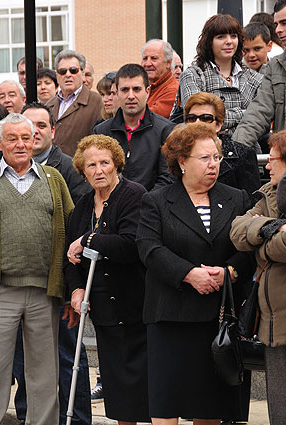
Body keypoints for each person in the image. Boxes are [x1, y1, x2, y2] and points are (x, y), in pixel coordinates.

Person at [0, 113, 74, 425]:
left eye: (25, 138)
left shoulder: (53, 179)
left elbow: (70, 230)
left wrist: (67, 285)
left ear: (35, 141)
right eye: (12, 138)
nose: (20, 144)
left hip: (44, 292)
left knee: (45, 375)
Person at [136, 122, 254, 424]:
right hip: (170, 316)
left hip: (215, 318)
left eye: (216, 157)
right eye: (205, 158)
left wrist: (229, 272)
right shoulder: (157, 200)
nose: (213, 164)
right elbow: (149, 248)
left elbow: (247, 249)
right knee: (167, 402)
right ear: (182, 162)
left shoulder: (237, 197)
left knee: (209, 406)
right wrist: (189, 274)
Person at [15, 102, 91, 425]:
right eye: (26, 128)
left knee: (67, 354)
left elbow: (78, 224)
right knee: (24, 359)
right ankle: (27, 417)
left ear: (53, 131)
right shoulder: (5, 170)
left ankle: (77, 420)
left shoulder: (70, 170)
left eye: (41, 126)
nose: (33, 134)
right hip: (21, 282)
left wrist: (71, 283)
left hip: (60, 280)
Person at [66, 134, 149, 425]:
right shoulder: (84, 204)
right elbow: (70, 256)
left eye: (105, 163)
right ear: (83, 171)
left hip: (134, 307)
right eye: (91, 165)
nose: (99, 170)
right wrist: (75, 290)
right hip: (102, 310)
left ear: (116, 165)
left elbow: (130, 245)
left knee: (141, 386)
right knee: (117, 387)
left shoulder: (133, 195)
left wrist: (89, 239)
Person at [230, 130, 286, 424]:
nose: (267, 166)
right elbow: (238, 231)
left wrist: (262, 240)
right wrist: (271, 228)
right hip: (272, 324)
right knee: (279, 409)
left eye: (273, 159)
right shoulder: (268, 195)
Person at [172, 14, 263, 135]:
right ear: (209, 42)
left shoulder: (255, 78)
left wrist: (218, 118)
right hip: (203, 147)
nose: (229, 42)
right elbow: (198, 120)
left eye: (233, 36)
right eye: (221, 37)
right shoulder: (193, 75)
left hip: (248, 148)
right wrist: (245, 113)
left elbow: (261, 120)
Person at [93, 64, 174, 191]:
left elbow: (167, 178)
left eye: (136, 89)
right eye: (125, 90)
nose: (131, 96)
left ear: (147, 92)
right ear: (117, 92)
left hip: (152, 207)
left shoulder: (166, 130)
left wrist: (145, 204)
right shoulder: (101, 131)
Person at [183, 92, 260, 201]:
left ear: (219, 125)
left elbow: (253, 201)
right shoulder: (178, 153)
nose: (197, 123)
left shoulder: (243, 154)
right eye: (191, 118)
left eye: (206, 118)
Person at [233, 1, 286, 149]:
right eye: (276, 25)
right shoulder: (275, 66)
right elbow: (259, 112)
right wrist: (236, 149)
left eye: (284, 23)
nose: (279, 30)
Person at [46, 50, 103, 156]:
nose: (68, 75)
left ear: (82, 74)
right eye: (62, 71)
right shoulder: (49, 105)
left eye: (73, 70)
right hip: (51, 170)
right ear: (57, 76)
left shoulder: (97, 102)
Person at [141, 39, 179, 118]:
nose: (148, 64)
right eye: (145, 58)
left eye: (154, 58)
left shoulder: (173, 90)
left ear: (168, 63)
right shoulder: (149, 87)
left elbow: (145, 119)